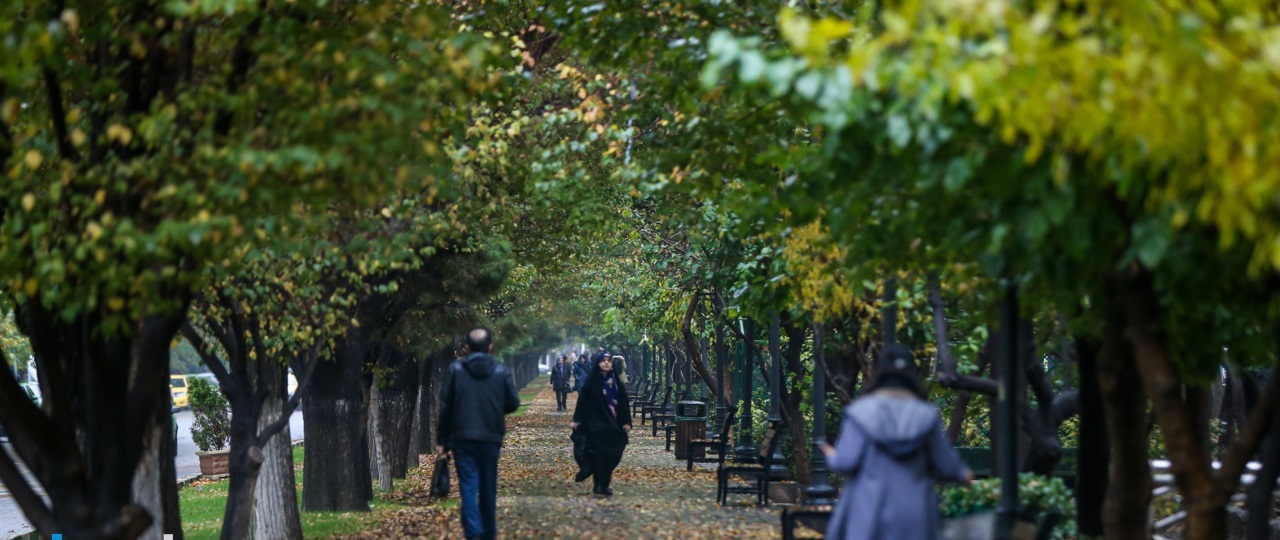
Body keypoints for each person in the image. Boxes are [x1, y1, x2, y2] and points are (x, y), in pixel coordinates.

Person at [820, 344, 972, 540]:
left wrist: (831, 455)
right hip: (915, 515)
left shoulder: (860, 413)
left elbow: (845, 463)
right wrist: (965, 475)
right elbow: (949, 467)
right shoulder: (925, 416)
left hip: (867, 515)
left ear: (880, 373)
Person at [436, 328, 521, 540]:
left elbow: (446, 406)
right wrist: (494, 408)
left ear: (467, 347)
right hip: (491, 437)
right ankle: (489, 533)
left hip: (462, 437)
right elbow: (513, 403)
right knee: (488, 486)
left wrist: (441, 440)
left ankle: (474, 533)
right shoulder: (500, 371)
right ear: (490, 347)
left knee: (468, 486)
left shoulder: (456, 370)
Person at [571, 354, 632, 497]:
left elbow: (623, 403)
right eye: (603, 361)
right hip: (595, 426)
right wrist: (576, 419)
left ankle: (605, 484)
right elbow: (583, 401)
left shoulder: (616, 383)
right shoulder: (592, 382)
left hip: (613, 427)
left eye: (609, 361)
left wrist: (627, 422)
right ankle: (599, 485)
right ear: (598, 364)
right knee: (598, 457)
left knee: (611, 456)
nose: (606, 363)